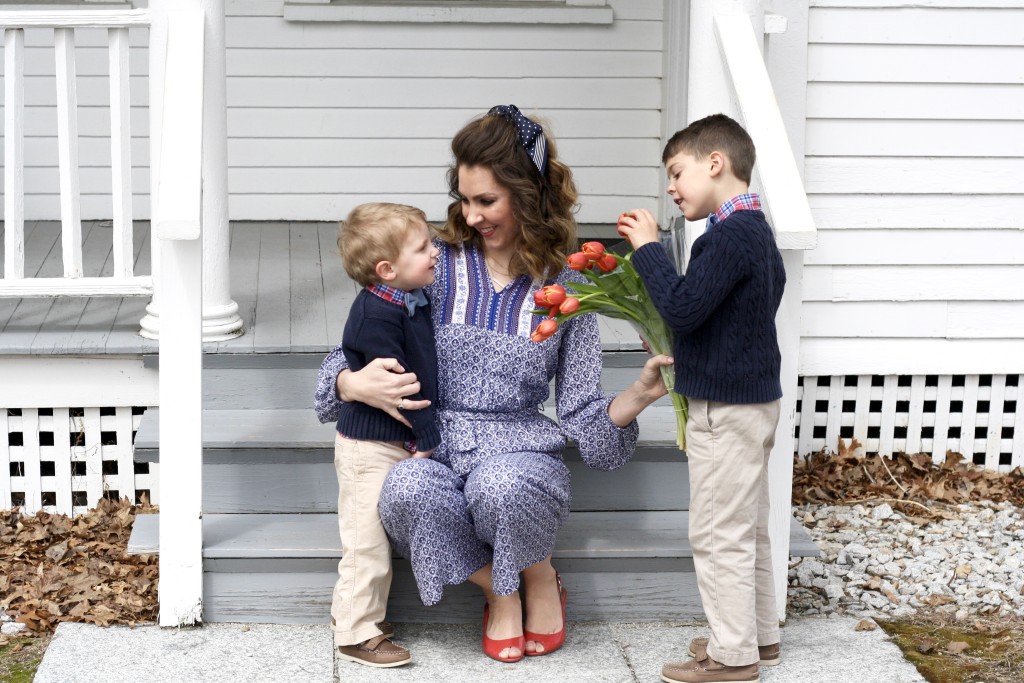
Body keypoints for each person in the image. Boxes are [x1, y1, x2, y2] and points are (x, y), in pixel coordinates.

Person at [315, 105, 672, 663]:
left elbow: (580, 412)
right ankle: (499, 588)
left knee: (503, 485)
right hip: (434, 441)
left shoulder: (568, 286)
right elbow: (354, 348)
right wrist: (349, 383)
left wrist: (641, 394)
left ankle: (539, 572)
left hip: (519, 448)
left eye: (487, 201)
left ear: (528, 196)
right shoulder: (436, 265)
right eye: (464, 199)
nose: (471, 214)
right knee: (405, 489)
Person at [617, 113, 786, 683]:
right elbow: (767, 295)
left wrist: (646, 251)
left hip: (726, 405)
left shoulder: (725, 235)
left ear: (715, 163)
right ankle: (756, 636)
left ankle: (731, 657)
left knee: (717, 531)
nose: (671, 187)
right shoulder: (756, 229)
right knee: (749, 525)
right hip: (757, 398)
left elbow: (685, 307)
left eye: (676, 172)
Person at [330, 202, 441, 668]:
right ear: (387, 269)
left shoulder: (407, 297)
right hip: (369, 445)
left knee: (371, 539)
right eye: (423, 247)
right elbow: (401, 394)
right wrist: (426, 437)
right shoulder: (376, 317)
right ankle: (355, 631)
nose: (435, 252)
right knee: (365, 542)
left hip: (390, 440)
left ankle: (355, 616)